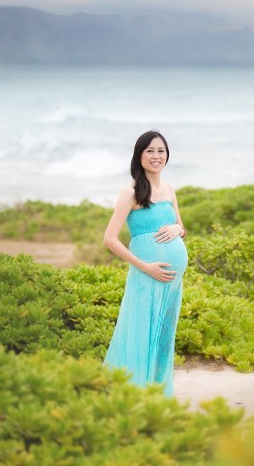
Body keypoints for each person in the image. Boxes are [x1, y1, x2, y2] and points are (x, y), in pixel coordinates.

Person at [101, 130, 188, 396]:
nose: (156, 156)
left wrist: (178, 230)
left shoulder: (170, 190)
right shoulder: (131, 193)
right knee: (139, 332)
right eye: (149, 150)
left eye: (160, 151)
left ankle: (158, 393)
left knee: (163, 335)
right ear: (139, 156)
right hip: (146, 275)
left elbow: (181, 226)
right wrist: (145, 266)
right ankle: (132, 392)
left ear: (167, 156)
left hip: (172, 282)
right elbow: (109, 239)